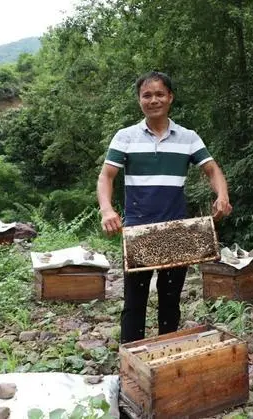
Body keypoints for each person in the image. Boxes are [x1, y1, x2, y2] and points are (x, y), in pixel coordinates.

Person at [96, 71, 233, 344]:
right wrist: (107, 210)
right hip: (138, 230)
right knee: (135, 302)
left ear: (170, 97)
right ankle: (131, 360)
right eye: (147, 95)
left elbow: (211, 169)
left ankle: (166, 357)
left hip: (176, 230)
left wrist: (222, 196)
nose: (153, 100)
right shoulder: (125, 137)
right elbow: (106, 177)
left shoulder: (188, 137)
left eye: (159, 94)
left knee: (170, 301)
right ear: (139, 101)